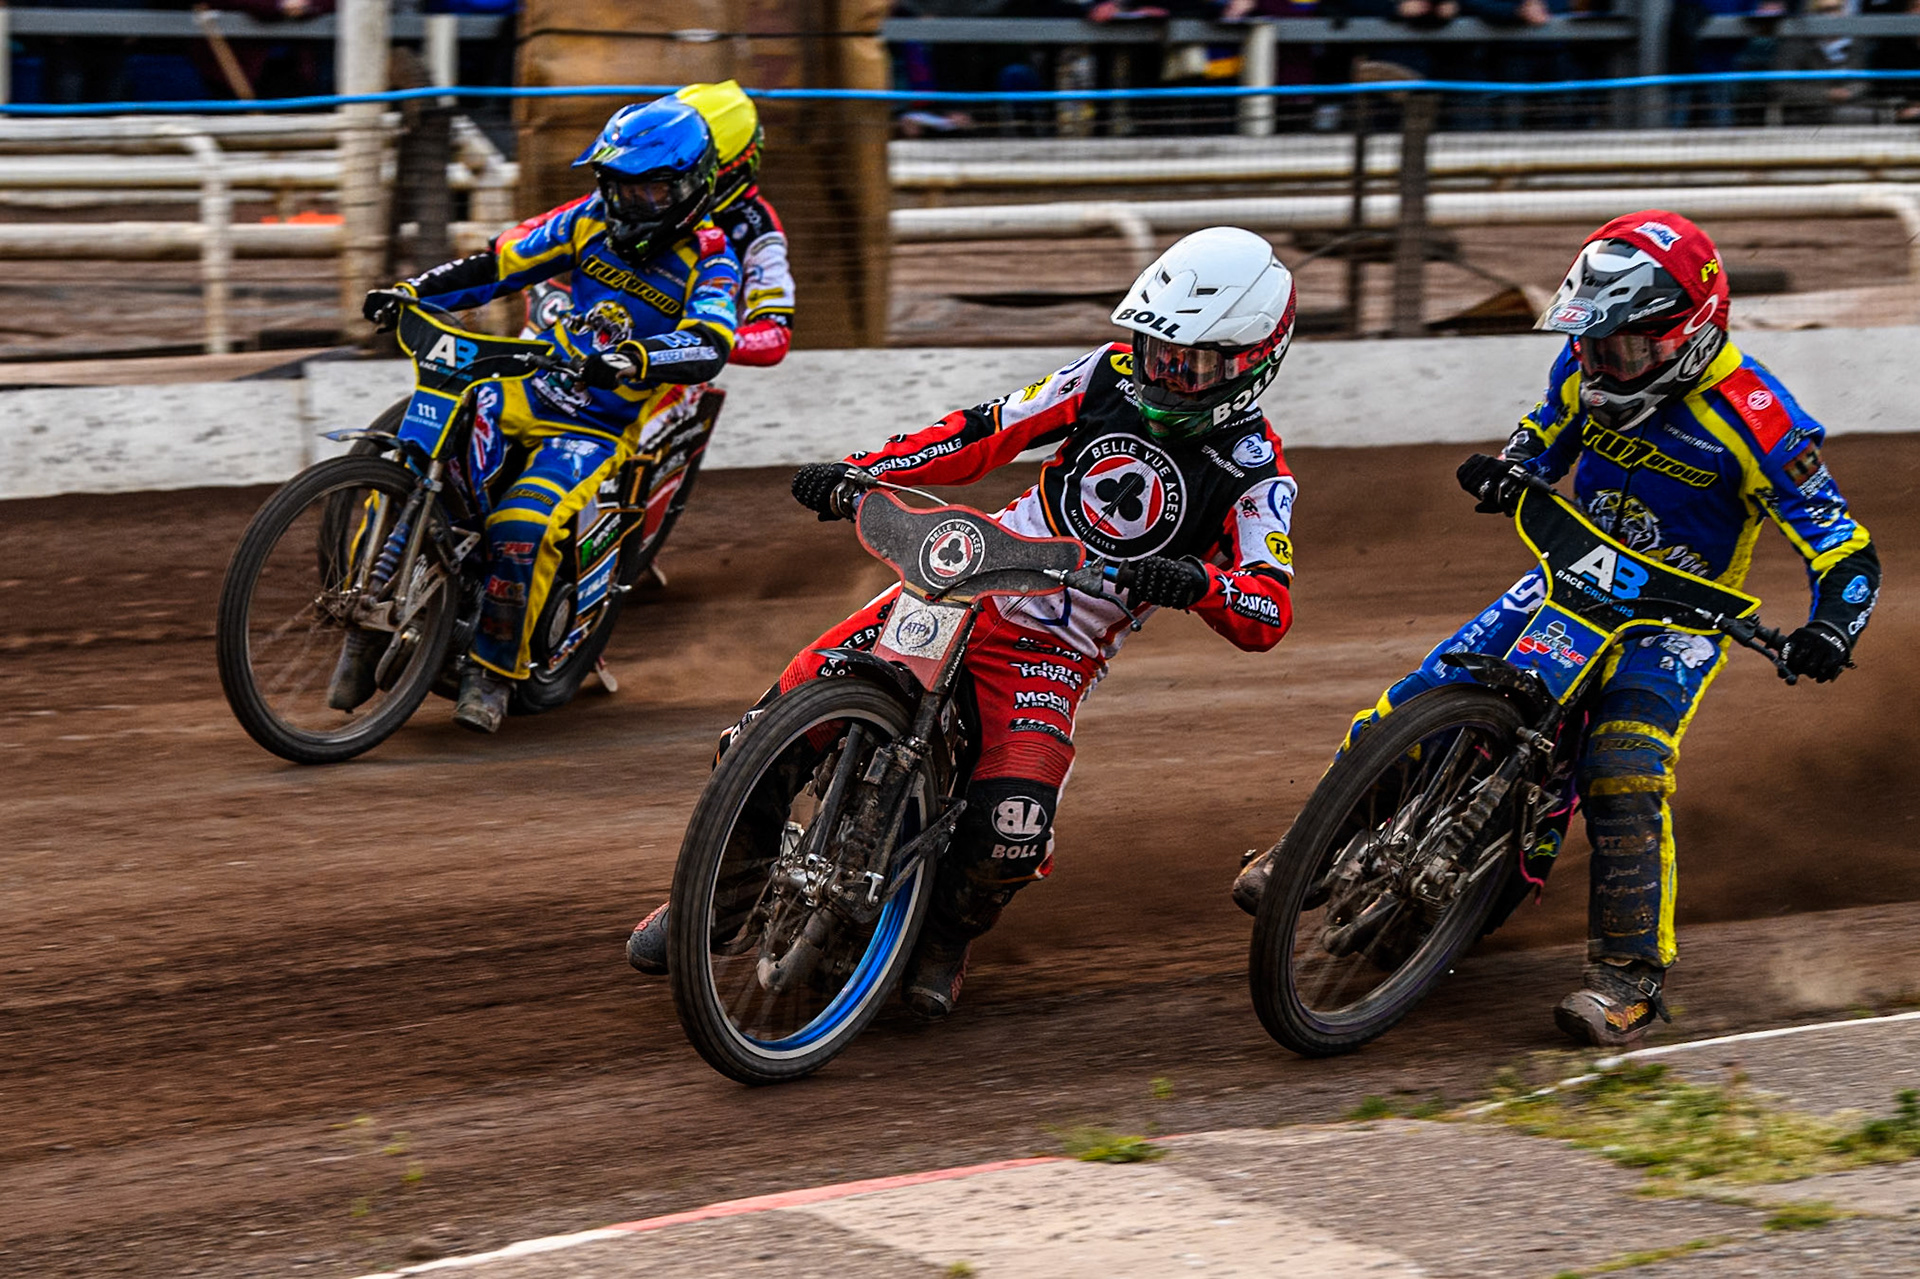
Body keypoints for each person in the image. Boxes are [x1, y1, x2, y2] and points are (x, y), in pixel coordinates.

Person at [1233, 210, 1880, 1048]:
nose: (1603, 363)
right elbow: (1543, 434)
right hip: (1568, 576)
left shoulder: (1758, 417)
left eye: (1625, 347)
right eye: (1594, 342)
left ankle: (1629, 978)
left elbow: (1844, 546)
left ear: (1690, 332)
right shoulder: (1583, 365)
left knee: (1624, 766)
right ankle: (1309, 852)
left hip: (1674, 621)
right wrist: (1513, 468)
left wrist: (1832, 626)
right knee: (1419, 696)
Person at [628, 226, 1303, 1016]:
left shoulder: (1257, 475)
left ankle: (944, 935)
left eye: (1189, 363)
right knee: (766, 728)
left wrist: (1197, 581)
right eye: (1155, 350)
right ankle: (717, 899)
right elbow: (986, 429)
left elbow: (1268, 604)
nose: (1161, 373)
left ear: (1253, 362)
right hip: (963, 583)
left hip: (1053, 652)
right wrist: (863, 470)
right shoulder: (1105, 375)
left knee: (1010, 828)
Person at [336, 96, 739, 734]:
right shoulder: (586, 220)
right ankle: (362, 633)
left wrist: (635, 358)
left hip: (593, 426)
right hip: (520, 387)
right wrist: (412, 291)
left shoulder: (712, 259)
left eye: (649, 190)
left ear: (692, 187)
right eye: (617, 186)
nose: (628, 203)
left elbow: (710, 344)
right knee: (409, 470)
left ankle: (492, 673)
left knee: (521, 526)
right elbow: (499, 266)